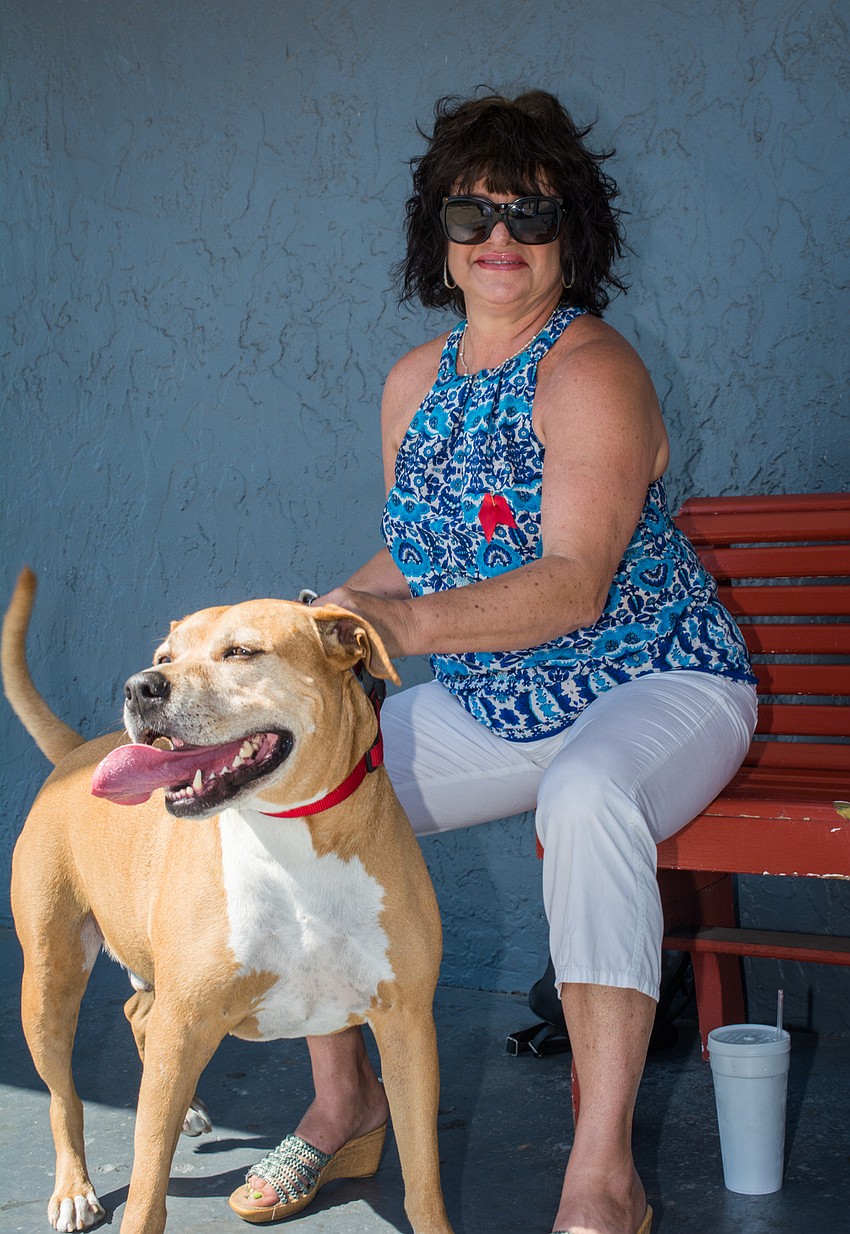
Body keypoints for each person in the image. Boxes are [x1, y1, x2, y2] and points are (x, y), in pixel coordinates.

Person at [229, 90, 757, 1234]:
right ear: (440, 236)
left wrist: (402, 631)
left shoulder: (592, 370)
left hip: (658, 685)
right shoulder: (414, 382)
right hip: (497, 702)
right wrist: (332, 613)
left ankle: (601, 1175)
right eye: (472, 215)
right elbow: (418, 553)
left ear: (575, 234)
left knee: (587, 795)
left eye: (530, 213)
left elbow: (571, 578)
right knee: (299, 790)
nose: (500, 238)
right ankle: (343, 1103)